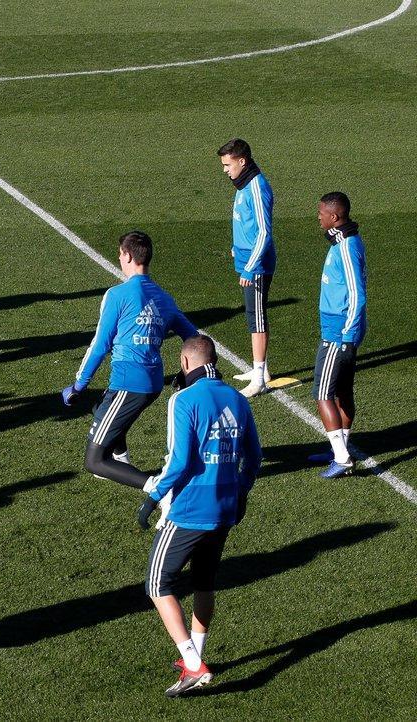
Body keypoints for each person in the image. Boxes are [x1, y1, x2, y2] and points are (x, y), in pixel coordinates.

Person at [136, 334, 260, 697]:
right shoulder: (238, 399)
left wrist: (152, 496)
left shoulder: (183, 400)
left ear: (186, 363)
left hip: (190, 509)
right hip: (226, 506)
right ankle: (198, 656)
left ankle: (193, 663)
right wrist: (241, 490)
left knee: (157, 583)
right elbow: (253, 457)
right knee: (204, 582)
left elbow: (179, 462)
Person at [62, 231, 199, 489]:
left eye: (119, 254)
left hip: (129, 383)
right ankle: (122, 459)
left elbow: (99, 345)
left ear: (126, 255)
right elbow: (194, 338)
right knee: (102, 408)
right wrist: (187, 373)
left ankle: (158, 489)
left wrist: (78, 385)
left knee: (94, 461)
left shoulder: (117, 295)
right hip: (153, 382)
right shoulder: (164, 298)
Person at [309, 192, 367, 478]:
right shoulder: (345, 241)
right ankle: (339, 449)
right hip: (339, 330)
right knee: (343, 391)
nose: (318, 217)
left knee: (322, 393)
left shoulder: (346, 247)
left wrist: (346, 335)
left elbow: (357, 293)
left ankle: (342, 457)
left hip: (338, 333)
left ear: (334, 217)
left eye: (321, 213)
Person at [217, 138, 275, 397]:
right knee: (253, 316)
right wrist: (235, 247)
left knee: (257, 318)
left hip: (257, 265)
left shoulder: (256, 187)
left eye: (228, 164)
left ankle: (260, 377)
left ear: (242, 161)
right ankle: (259, 368)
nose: (225, 170)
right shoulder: (243, 184)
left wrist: (250, 267)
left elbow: (264, 232)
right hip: (245, 260)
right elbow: (245, 224)